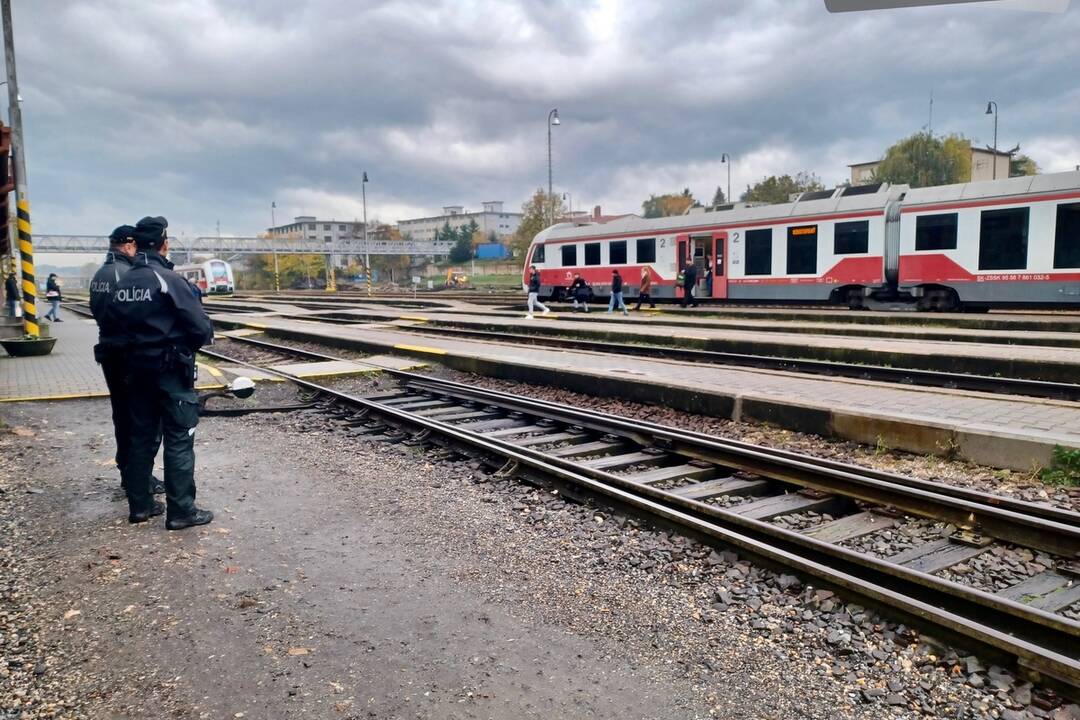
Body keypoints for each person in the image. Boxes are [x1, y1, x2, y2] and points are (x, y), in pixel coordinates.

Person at [101, 216, 215, 529]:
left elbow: (109, 325)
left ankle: (140, 506)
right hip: (169, 373)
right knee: (179, 436)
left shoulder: (122, 283)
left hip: (134, 374)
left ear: (136, 245)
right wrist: (181, 348)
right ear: (163, 244)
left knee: (140, 437)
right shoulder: (168, 280)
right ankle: (181, 511)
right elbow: (201, 328)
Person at [90, 225, 166, 499]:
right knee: (139, 420)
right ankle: (138, 479)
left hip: (109, 354)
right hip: (126, 357)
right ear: (130, 245)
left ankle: (130, 474)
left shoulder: (101, 273)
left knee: (122, 416)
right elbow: (132, 316)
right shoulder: (125, 274)